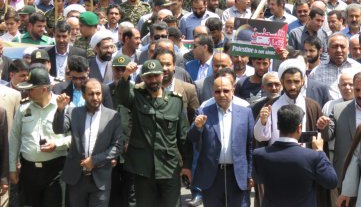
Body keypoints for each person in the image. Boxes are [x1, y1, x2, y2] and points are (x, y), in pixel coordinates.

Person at [115, 59, 192, 207]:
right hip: (143, 168)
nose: (153, 80)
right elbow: (122, 97)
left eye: (156, 75)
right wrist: (125, 76)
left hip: (168, 167)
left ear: (162, 75)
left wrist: (187, 165)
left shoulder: (175, 101)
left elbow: (182, 136)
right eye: (149, 77)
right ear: (143, 78)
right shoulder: (136, 96)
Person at [52, 79, 123, 207]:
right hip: (77, 179)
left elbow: (117, 146)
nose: (95, 97)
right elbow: (58, 129)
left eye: (98, 93)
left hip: (100, 179)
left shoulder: (113, 116)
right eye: (91, 94)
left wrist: (95, 160)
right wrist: (60, 109)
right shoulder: (73, 112)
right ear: (84, 95)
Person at [9, 67, 71, 207]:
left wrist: (57, 143)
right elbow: (14, 139)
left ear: (44, 89)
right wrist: (12, 168)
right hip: (28, 172)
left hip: (55, 171)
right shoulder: (24, 108)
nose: (27, 92)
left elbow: (75, 137)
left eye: (31, 89)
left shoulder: (63, 105)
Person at [187, 75, 254, 206]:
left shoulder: (245, 113)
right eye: (217, 91)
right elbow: (192, 139)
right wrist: (197, 127)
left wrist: (250, 173)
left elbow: (250, 146)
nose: (222, 94)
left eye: (226, 90)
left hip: (237, 175)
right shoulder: (202, 111)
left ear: (233, 90)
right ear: (213, 92)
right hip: (212, 176)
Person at [252, 104, 338, 207]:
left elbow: (258, 179)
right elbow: (331, 181)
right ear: (299, 128)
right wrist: (319, 150)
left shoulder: (259, 154)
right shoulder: (314, 157)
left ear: (278, 126)